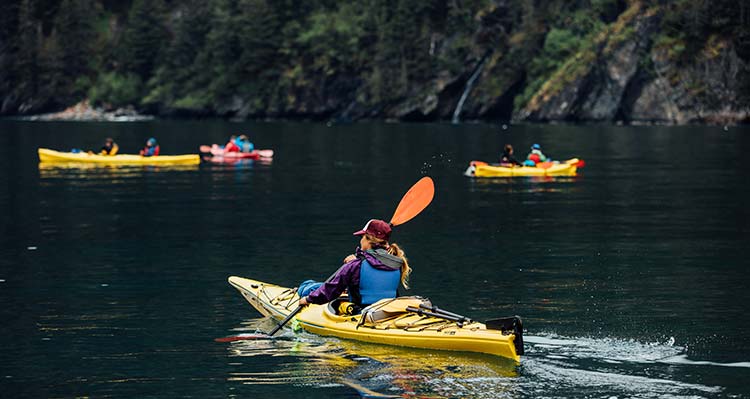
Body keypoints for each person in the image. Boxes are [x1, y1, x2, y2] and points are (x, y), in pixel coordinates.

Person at [297, 219, 411, 310]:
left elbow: (330, 290)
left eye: (362, 237)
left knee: (309, 287)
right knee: (322, 287)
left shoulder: (356, 265)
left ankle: (301, 290)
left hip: (360, 313)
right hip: (387, 311)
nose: (360, 241)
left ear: (368, 240)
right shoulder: (396, 262)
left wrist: (307, 300)